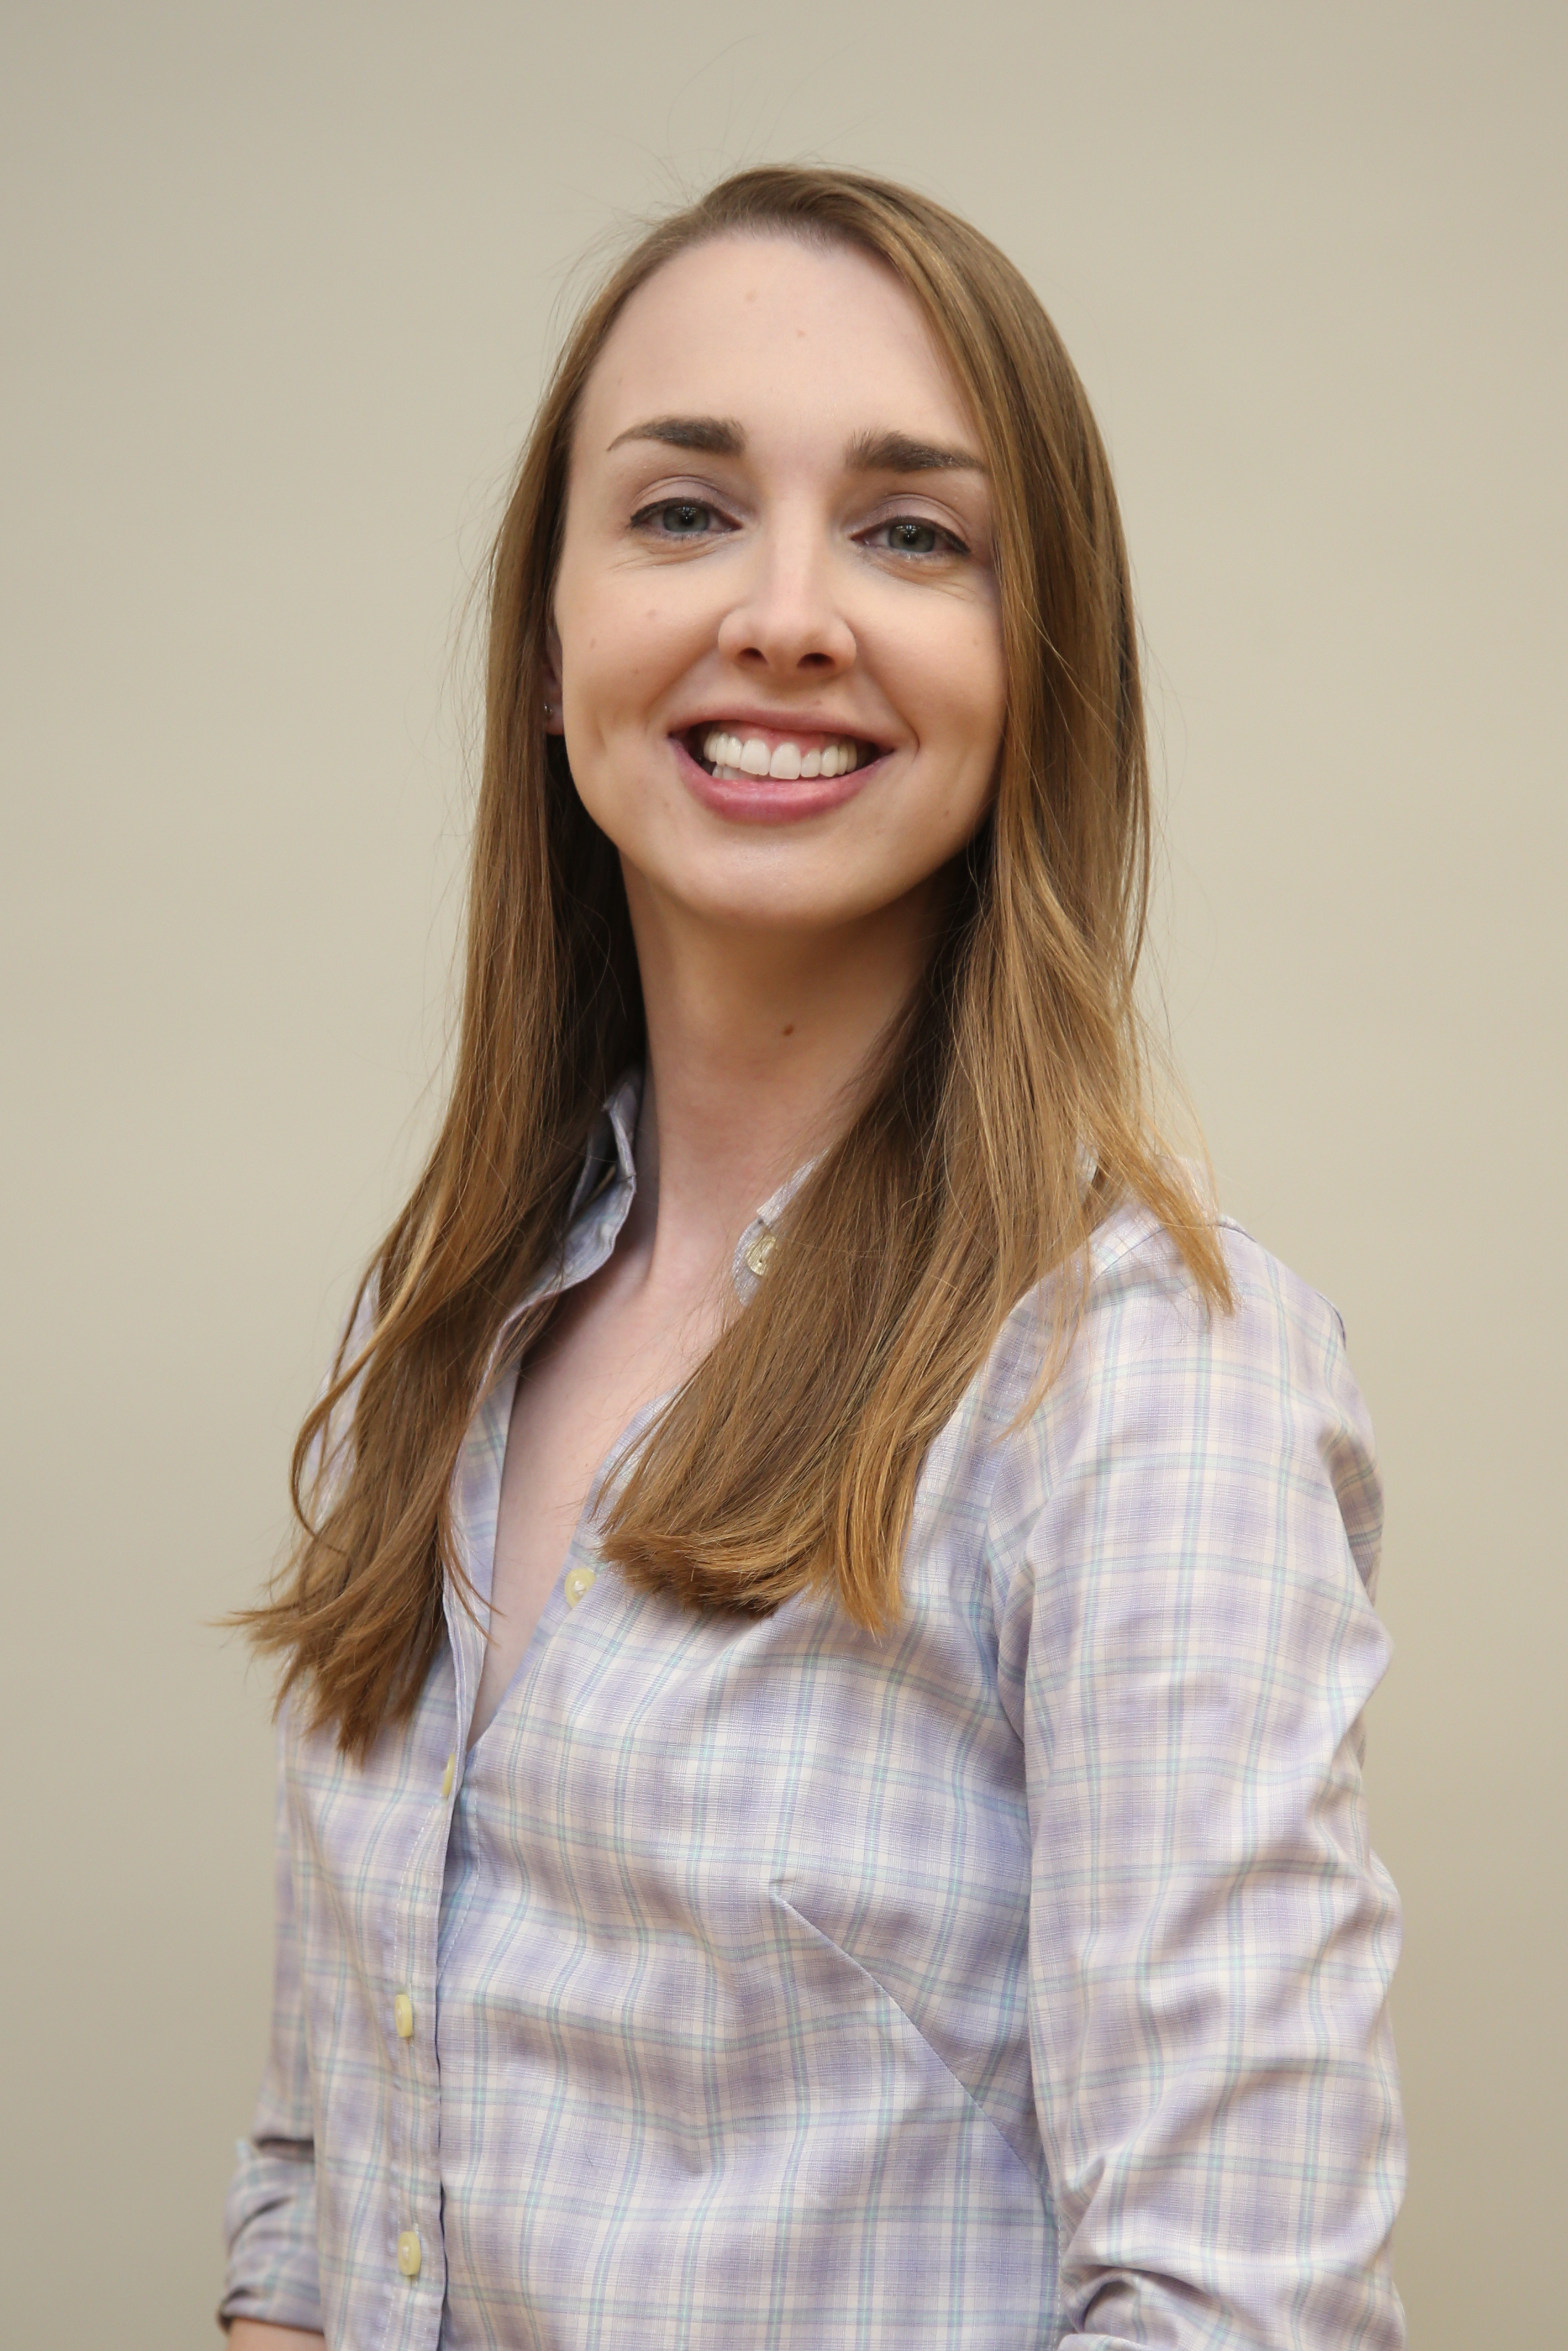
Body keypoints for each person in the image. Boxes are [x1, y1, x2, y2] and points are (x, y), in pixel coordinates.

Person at [220, 166, 1405, 2350]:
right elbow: (320, 2190)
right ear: (551, 649)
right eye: (680, 512)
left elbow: (1235, 2315)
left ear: (1034, 675)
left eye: (910, 532)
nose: (786, 613)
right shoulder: (435, 1338)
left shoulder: (1145, 1382)